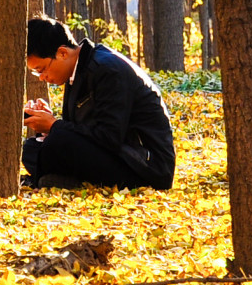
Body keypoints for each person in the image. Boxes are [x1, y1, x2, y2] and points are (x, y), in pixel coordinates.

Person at [22, 15, 176, 190]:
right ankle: (61, 180)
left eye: (41, 69)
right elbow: (86, 130)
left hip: (145, 167)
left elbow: (110, 136)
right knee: (32, 147)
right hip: (116, 154)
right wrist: (48, 123)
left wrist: (55, 126)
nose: (42, 77)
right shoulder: (77, 71)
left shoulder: (107, 69)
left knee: (58, 141)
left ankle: (59, 180)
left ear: (62, 53)